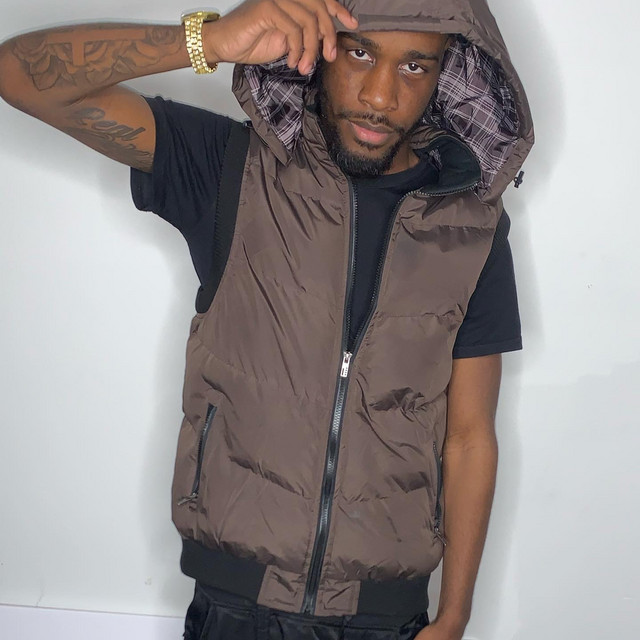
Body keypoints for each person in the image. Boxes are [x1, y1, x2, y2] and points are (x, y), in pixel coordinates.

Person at [0, 0, 533, 638]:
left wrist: (455, 614)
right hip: (236, 608)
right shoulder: (230, 167)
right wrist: (212, 40)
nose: (380, 95)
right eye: (360, 52)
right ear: (319, 49)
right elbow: (18, 74)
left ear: (450, 75)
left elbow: (470, 436)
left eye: (415, 67)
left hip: (388, 616)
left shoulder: (471, 227)